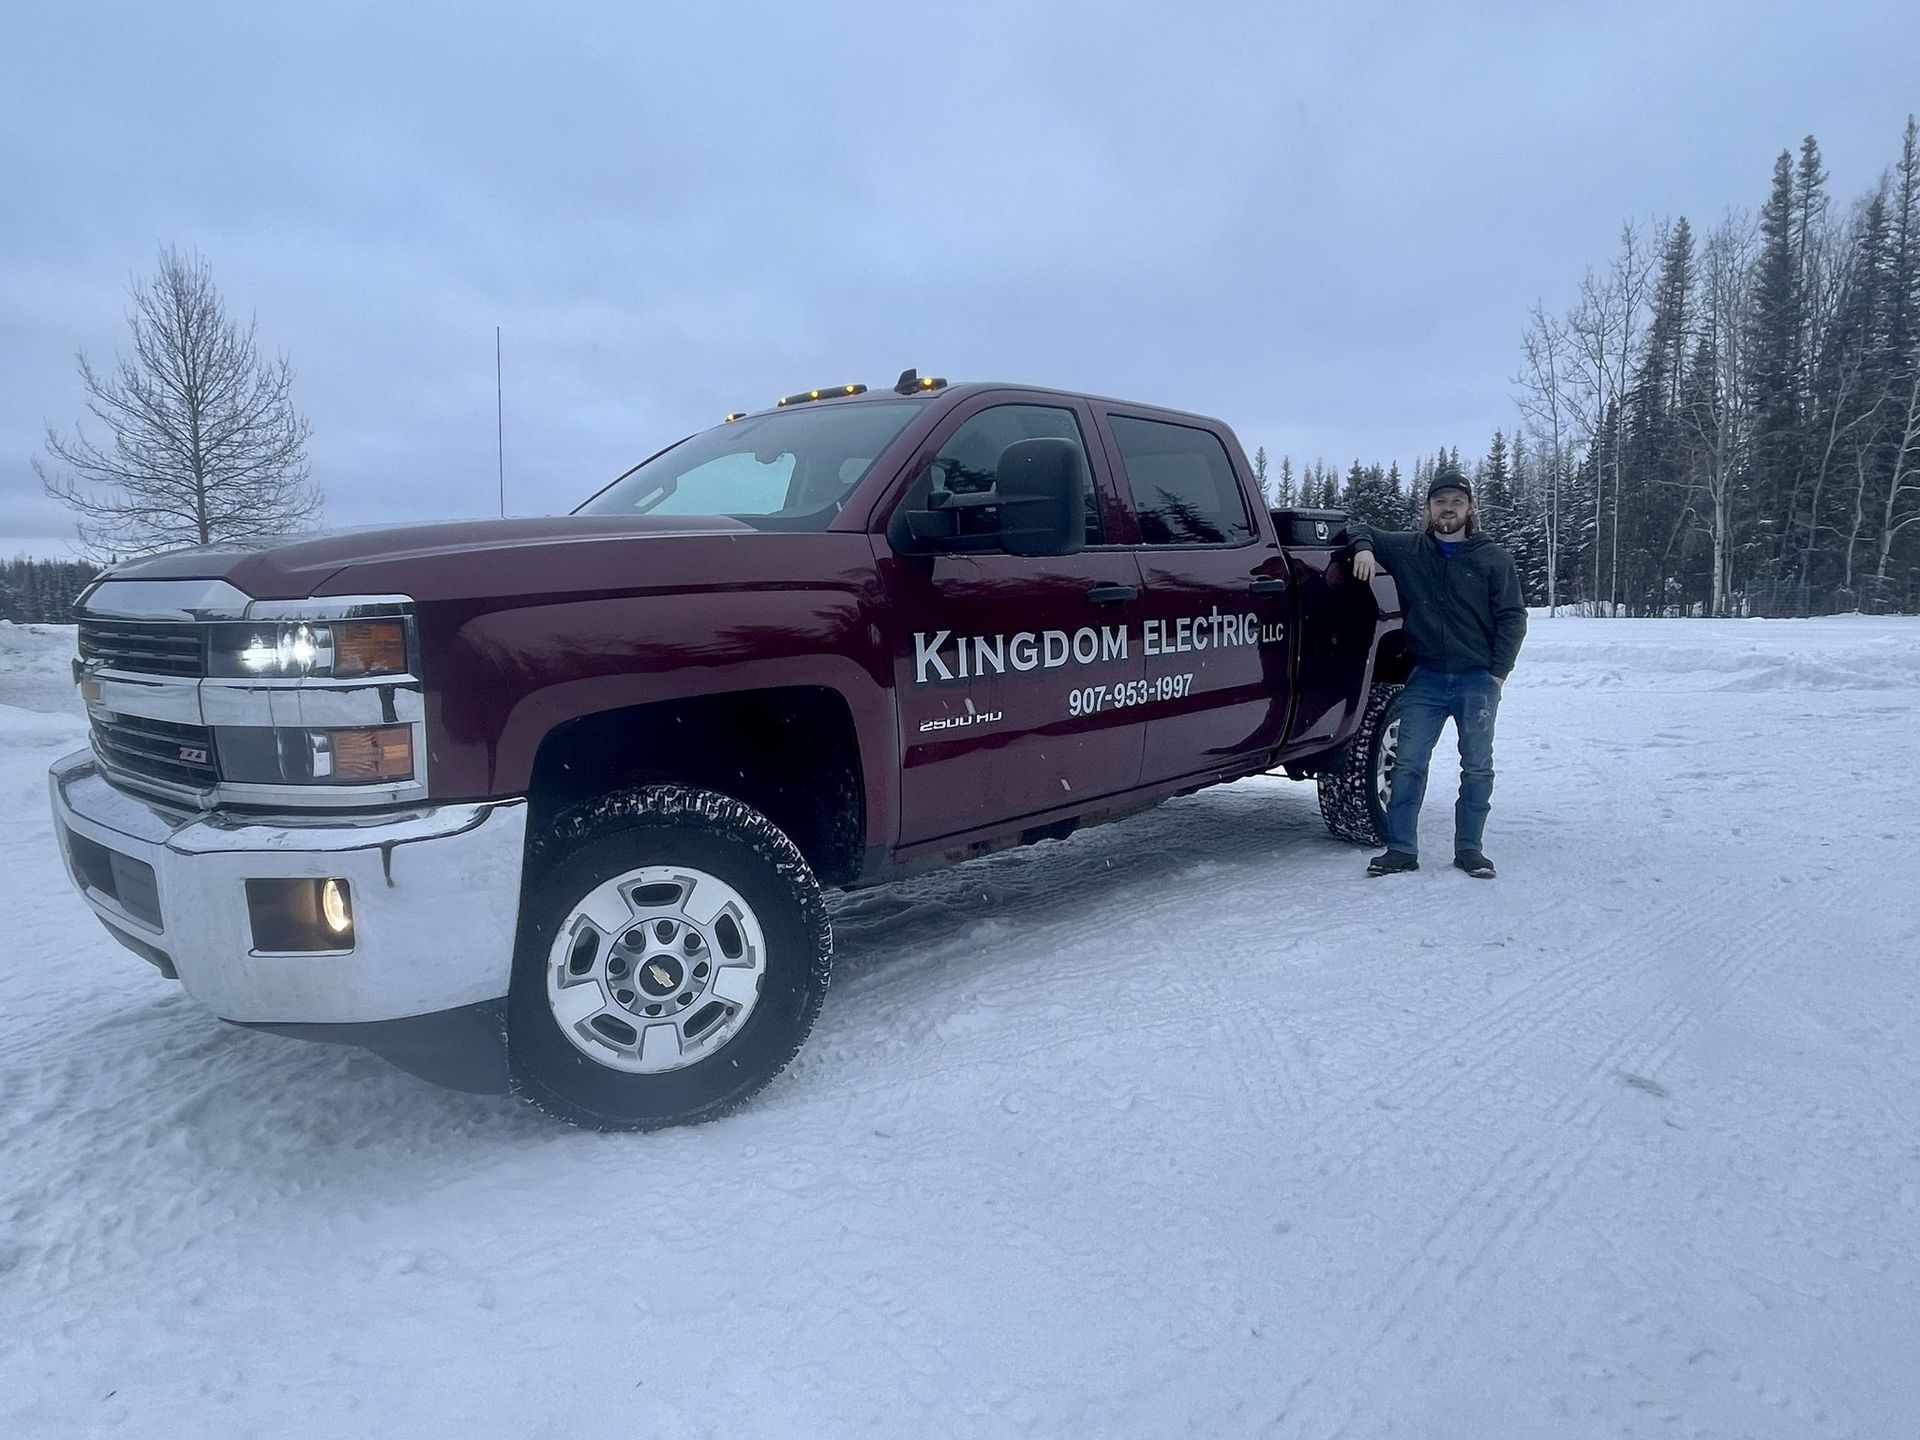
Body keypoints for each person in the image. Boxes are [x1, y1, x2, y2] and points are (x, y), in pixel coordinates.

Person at [1349, 469, 1527, 879]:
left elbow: (1512, 618)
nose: (1448, 509)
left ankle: (1470, 850)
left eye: (1457, 502)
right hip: (1426, 677)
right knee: (1408, 764)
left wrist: (1497, 674)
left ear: (1471, 509)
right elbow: (1362, 528)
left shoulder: (1492, 559)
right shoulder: (1410, 550)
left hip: (1476, 680)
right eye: (1440, 502)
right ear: (1428, 508)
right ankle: (1400, 850)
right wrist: (1363, 550)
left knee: (1477, 766)